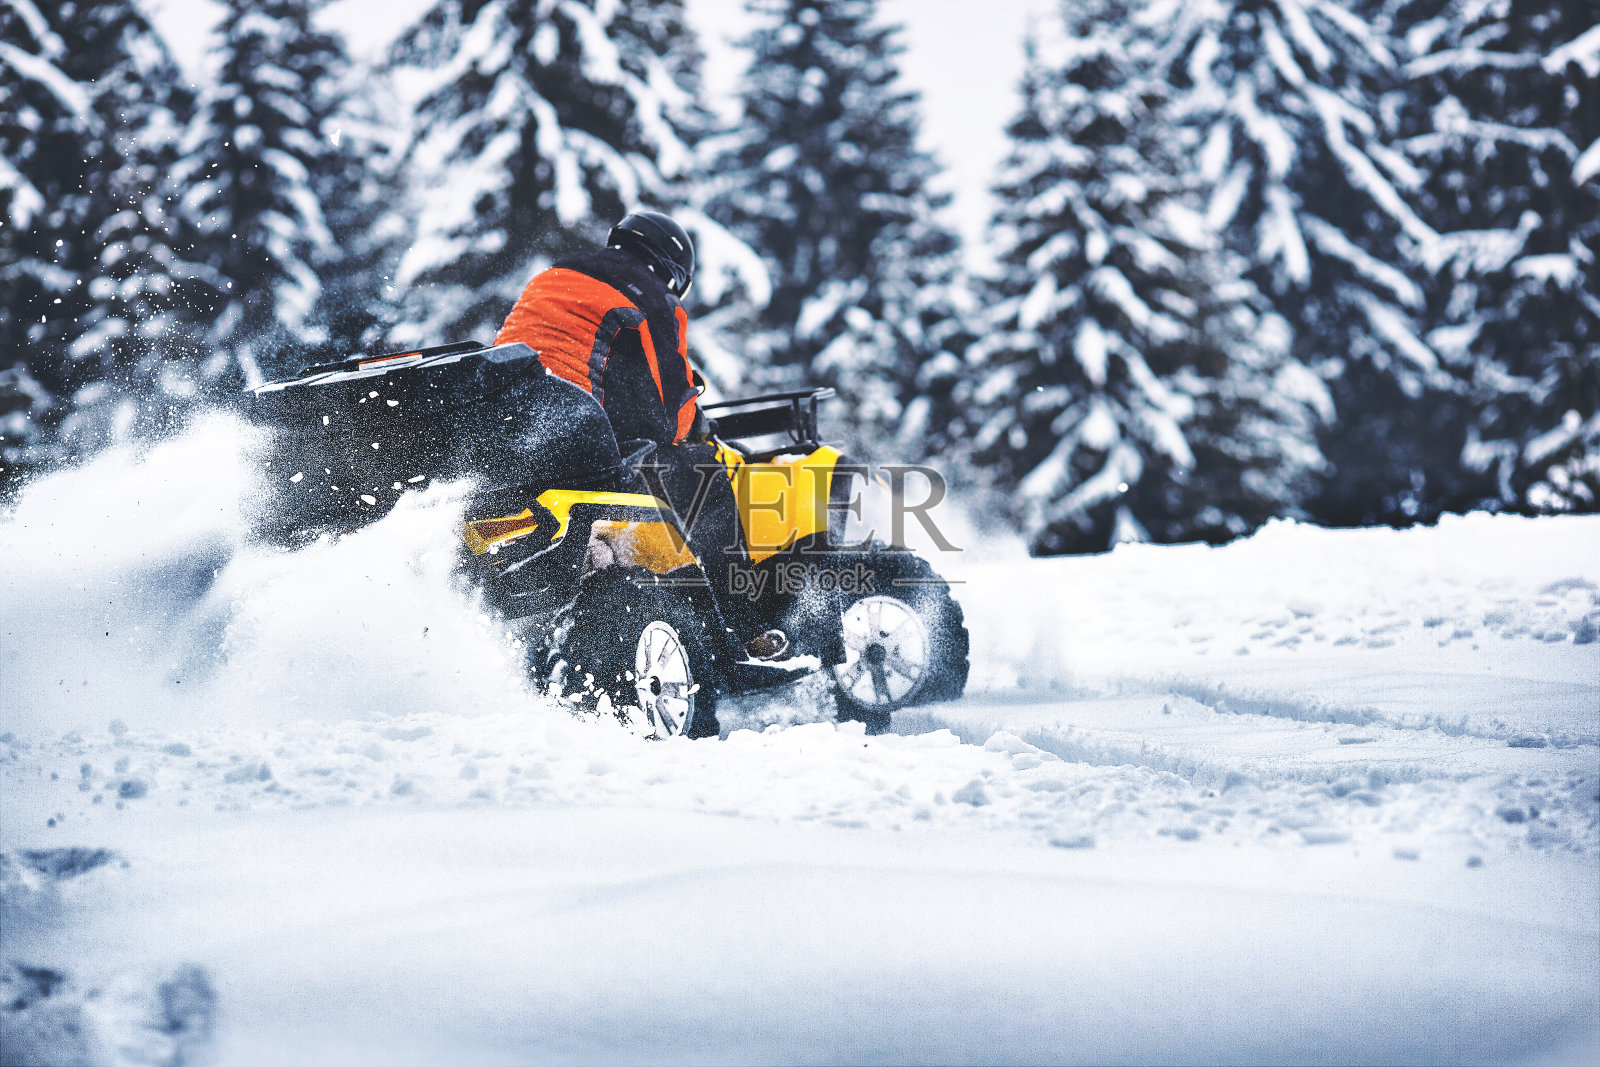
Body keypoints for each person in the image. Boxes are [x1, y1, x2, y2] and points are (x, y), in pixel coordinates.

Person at [495, 210, 788, 659]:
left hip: (506, 433)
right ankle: (746, 627)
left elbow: (573, 360)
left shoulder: (552, 275)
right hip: (573, 436)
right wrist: (696, 433)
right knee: (701, 476)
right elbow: (673, 407)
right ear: (672, 270)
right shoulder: (652, 296)